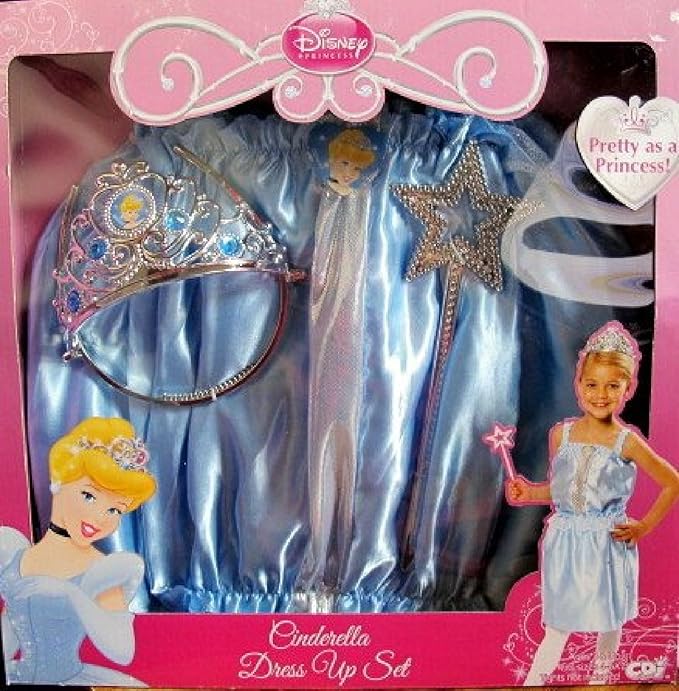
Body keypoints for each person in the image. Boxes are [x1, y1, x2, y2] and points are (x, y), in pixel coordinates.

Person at [506, 321, 679, 686]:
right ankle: (534, 680)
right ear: (579, 384)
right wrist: (530, 493)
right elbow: (563, 491)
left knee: (608, 619)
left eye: (613, 385)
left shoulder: (626, 441)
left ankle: (601, 678)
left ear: (628, 388)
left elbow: (672, 481)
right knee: (558, 624)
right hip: (565, 542)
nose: (601, 394)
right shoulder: (561, 434)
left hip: (606, 543)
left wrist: (644, 526)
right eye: (592, 384)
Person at [0, 417, 156, 685]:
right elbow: (9, 635)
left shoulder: (103, 571)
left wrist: (72, 593)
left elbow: (123, 651)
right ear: (59, 481)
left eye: (114, 509)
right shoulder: (16, 555)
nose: (100, 517)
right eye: (89, 496)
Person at [326, 128, 375, 196]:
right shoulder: (322, 185)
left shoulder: (358, 191)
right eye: (345, 163)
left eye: (357, 168)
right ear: (332, 160)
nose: (350, 172)